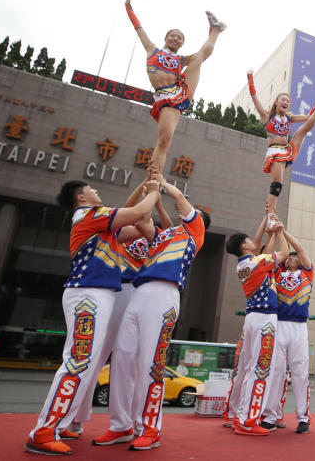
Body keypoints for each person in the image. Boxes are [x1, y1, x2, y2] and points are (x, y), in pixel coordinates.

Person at [24, 178, 160, 455]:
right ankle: (44, 431)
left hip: (98, 296)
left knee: (83, 362)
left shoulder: (100, 226)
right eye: (91, 189)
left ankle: (57, 427)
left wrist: (146, 188)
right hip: (88, 296)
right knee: (78, 361)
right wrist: (155, 191)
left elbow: (133, 222)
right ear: (81, 198)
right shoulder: (88, 215)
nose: (97, 191)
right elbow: (135, 213)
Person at [105, 176, 209, 451]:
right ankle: (121, 425)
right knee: (123, 359)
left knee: (151, 364)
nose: (180, 215)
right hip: (139, 294)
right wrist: (151, 193)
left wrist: (164, 184)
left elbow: (182, 206)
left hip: (164, 295)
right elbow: (145, 220)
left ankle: (149, 428)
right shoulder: (164, 236)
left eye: (187, 215)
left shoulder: (194, 235)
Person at [71, 170, 173, 442]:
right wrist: (145, 185)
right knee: (93, 353)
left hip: (139, 294)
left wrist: (156, 196)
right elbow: (130, 211)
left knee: (132, 361)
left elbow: (155, 221)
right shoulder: (123, 232)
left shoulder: (158, 235)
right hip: (115, 289)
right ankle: (75, 419)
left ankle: (132, 423)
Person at [126, 0, 226, 173]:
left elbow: (204, 54)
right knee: (164, 140)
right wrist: (128, 7)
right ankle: (153, 178)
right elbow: (138, 29)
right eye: (173, 35)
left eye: (180, 38)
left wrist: (210, 33)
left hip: (179, 92)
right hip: (164, 95)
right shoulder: (152, 49)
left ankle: (216, 29)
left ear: (182, 44)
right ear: (166, 38)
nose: (176, 38)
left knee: (199, 57)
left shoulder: (181, 59)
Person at [225, 216, 290, 435]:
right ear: (244, 246)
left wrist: (266, 220)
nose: (255, 240)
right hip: (264, 319)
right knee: (261, 368)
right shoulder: (258, 263)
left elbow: (260, 241)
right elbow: (283, 254)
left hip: (253, 318)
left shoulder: (245, 264)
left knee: (252, 368)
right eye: (249, 241)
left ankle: (241, 416)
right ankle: (247, 421)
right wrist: (280, 231)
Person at [248, 69, 315, 222]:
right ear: (276, 102)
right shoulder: (267, 117)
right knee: (277, 184)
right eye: (283, 99)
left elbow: (307, 118)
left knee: (301, 132)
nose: (285, 102)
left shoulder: (289, 118)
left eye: (288, 101)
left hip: (288, 150)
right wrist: (250, 80)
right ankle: (270, 214)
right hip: (275, 152)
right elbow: (254, 99)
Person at [260, 220, 313, 434]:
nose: (291, 258)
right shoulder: (277, 272)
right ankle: (271, 415)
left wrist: (284, 231)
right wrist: (276, 233)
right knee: (276, 371)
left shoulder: (307, 273)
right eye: (288, 256)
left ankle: (303, 418)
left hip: (299, 327)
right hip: (279, 324)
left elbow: (300, 249)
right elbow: (270, 253)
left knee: (300, 373)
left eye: (294, 257)